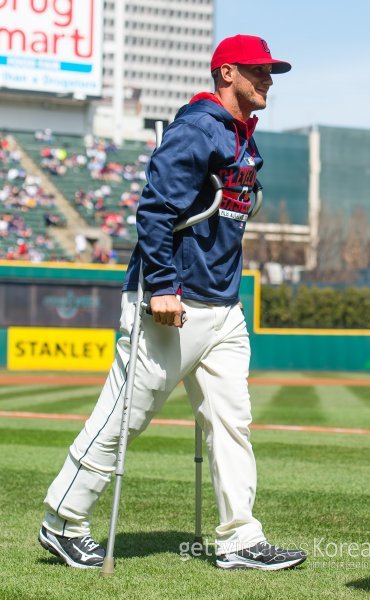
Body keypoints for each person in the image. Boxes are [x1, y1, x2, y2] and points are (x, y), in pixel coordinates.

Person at [38, 34, 307, 571]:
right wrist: (163, 285)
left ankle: (239, 539)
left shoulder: (241, 136)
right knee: (125, 415)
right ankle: (63, 520)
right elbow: (156, 210)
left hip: (222, 305)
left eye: (271, 71)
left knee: (232, 420)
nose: (268, 80)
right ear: (226, 73)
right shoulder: (197, 128)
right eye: (258, 70)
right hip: (172, 300)